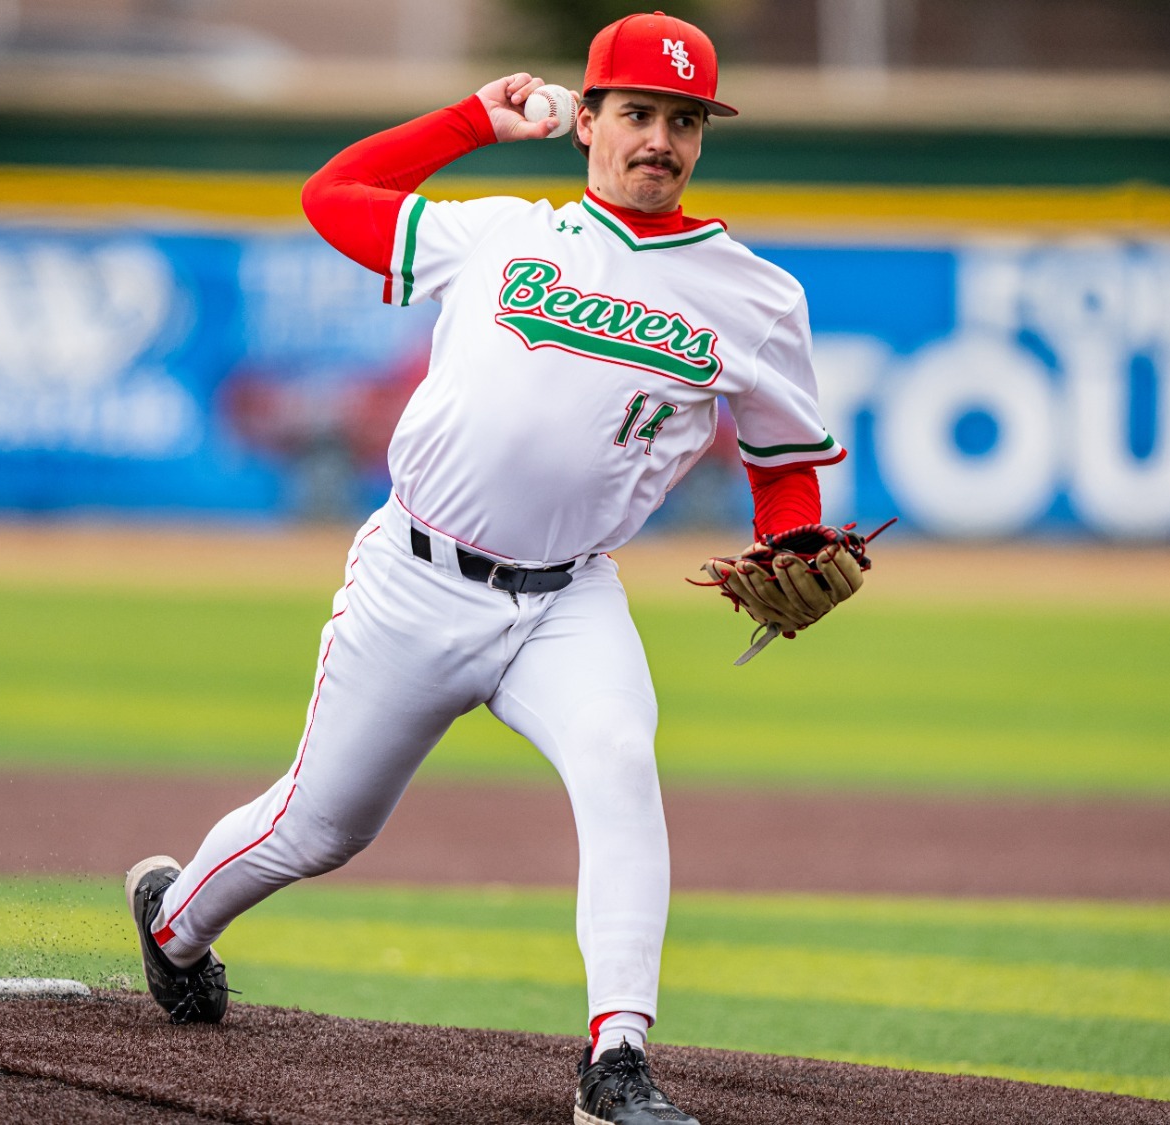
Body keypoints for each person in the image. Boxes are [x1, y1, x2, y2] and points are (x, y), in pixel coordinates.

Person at [126, 12, 860, 1124]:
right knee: (321, 827)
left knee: (619, 762)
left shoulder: (755, 297)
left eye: (683, 121)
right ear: (587, 121)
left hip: (569, 598)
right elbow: (332, 196)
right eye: (636, 113)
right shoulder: (499, 233)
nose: (659, 139)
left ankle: (616, 1059)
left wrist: (793, 538)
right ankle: (177, 924)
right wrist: (472, 119)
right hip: (414, 580)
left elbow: (785, 461)